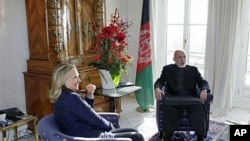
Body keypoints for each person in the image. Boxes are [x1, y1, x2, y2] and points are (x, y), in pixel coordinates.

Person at [48, 63, 144, 141]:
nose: (80, 80)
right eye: (75, 77)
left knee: (133, 131)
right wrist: (111, 127)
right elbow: (94, 118)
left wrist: (89, 95)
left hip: (82, 134)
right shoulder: (71, 98)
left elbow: (83, 113)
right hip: (91, 137)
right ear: (64, 80)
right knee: (137, 137)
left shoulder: (61, 96)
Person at [154, 50, 211, 141]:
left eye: (184, 57)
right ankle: (167, 135)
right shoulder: (167, 69)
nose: (182, 59)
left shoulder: (193, 70)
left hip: (190, 99)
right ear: (174, 59)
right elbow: (160, 81)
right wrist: (157, 88)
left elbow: (203, 82)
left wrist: (204, 90)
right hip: (173, 99)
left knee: (200, 106)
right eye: (179, 57)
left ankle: (200, 136)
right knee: (167, 106)